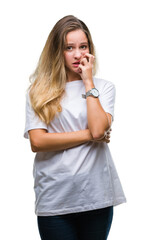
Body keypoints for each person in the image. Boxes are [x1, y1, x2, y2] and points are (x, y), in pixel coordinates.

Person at [24, 15, 126, 240]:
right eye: (69, 47)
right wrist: (90, 135)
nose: (78, 54)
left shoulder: (104, 87)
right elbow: (38, 142)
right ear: (57, 51)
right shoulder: (38, 91)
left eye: (83, 46)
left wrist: (88, 81)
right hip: (54, 197)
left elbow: (100, 129)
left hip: (96, 195)